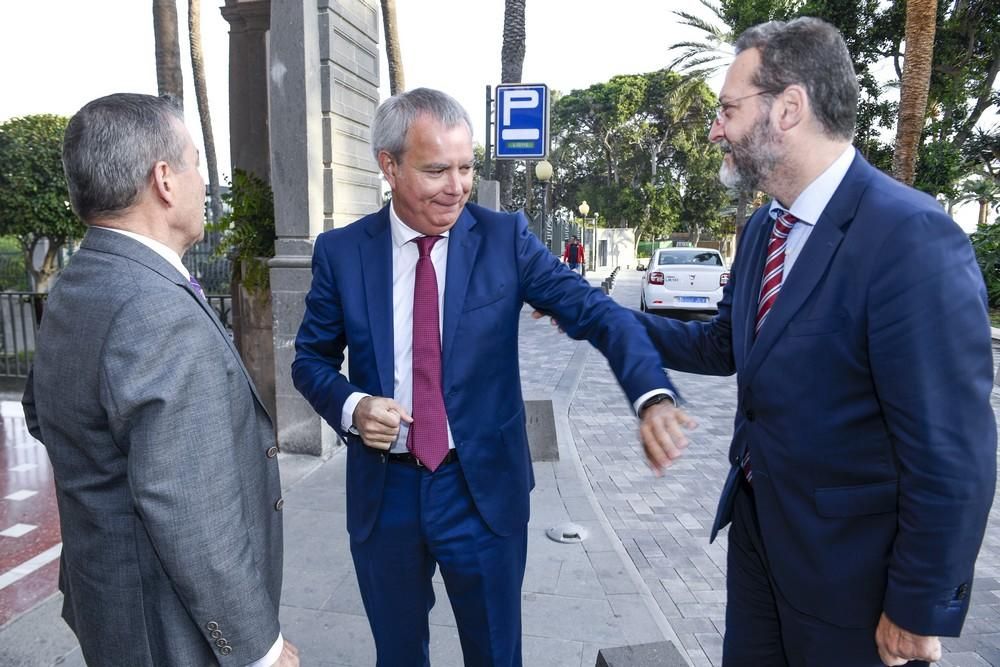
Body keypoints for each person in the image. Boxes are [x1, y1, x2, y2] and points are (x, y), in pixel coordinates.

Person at [633, 17, 996, 667]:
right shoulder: (761, 231)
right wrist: (604, 321)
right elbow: (726, 346)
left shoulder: (910, 239)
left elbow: (952, 455)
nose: (717, 128)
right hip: (759, 543)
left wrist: (917, 607)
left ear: (789, 108)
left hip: (850, 585)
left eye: (728, 109)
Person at [291, 87, 695, 666]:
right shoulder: (342, 251)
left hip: (481, 492)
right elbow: (309, 360)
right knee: (398, 654)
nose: (456, 186)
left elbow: (596, 312)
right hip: (387, 495)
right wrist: (353, 406)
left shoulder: (505, 240)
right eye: (436, 170)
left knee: (496, 654)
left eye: (465, 167)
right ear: (389, 166)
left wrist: (651, 393)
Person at [22, 93, 298, 667]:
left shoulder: (79, 283)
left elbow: (41, 412)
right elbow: (189, 509)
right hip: (169, 630)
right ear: (165, 180)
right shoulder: (155, 308)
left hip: (111, 601)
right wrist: (258, 649)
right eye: (197, 163)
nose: (204, 182)